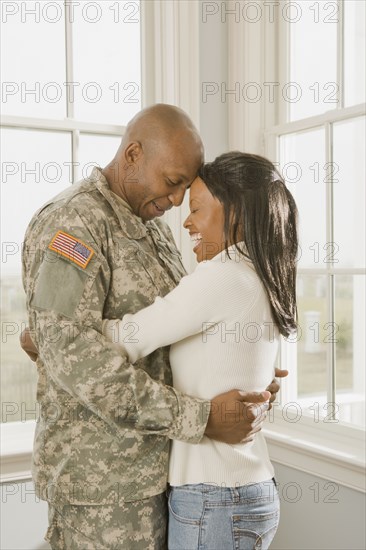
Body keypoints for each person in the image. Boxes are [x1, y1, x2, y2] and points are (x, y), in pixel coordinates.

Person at [21, 104, 286, 549]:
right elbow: (72, 354)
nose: (179, 201)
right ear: (132, 156)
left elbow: (179, 329)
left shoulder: (150, 224)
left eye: (186, 186)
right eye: (173, 182)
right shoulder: (75, 223)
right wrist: (200, 418)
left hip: (165, 475)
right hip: (104, 488)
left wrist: (247, 377)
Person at [101, 152, 298, 549]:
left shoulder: (222, 275)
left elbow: (130, 336)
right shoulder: (258, 274)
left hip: (217, 497)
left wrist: (55, 333)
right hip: (242, 491)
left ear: (236, 213)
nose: (186, 221)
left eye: (195, 209)